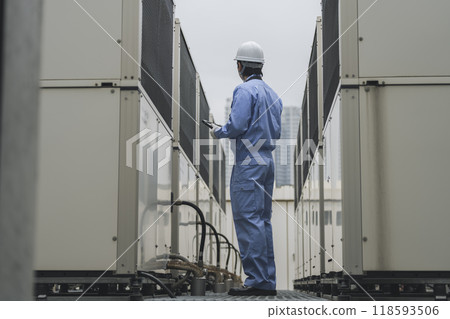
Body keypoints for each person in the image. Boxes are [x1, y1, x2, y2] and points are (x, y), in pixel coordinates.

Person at [210, 41, 282, 296]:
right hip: (267, 161)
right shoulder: (273, 95)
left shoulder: (244, 90)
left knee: (247, 220)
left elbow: (238, 125)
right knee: (262, 221)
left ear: (240, 65)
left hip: (249, 164)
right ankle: (266, 280)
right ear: (261, 66)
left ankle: (257, 281)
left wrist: (219, 130)